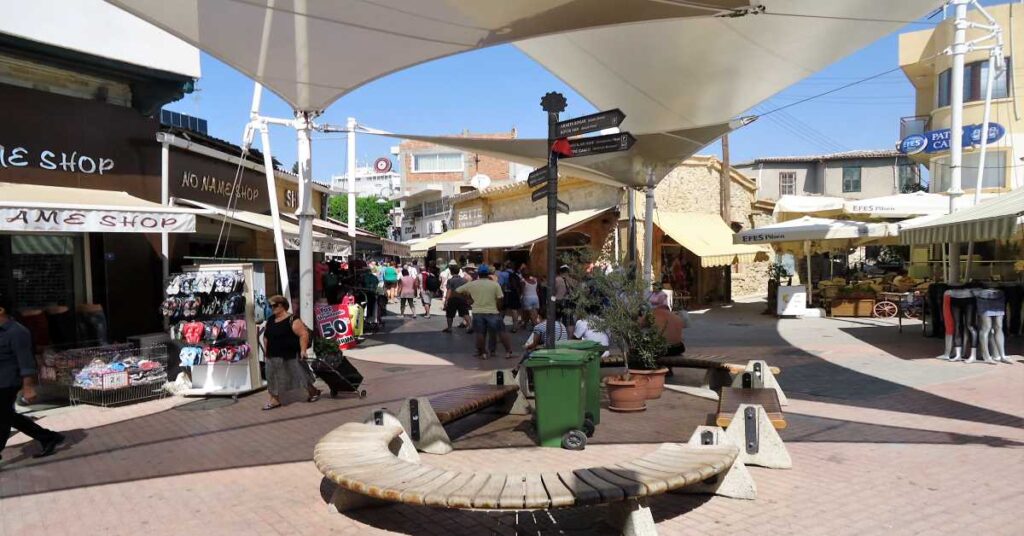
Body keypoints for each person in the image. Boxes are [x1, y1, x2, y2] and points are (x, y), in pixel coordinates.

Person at [0, 296, 66, 462]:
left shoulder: (17, 332)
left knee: (2, 419)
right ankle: (48, 437)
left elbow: (26, 362)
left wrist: (28, 388)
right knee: (7, 416)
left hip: (8, 382)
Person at [262, 295, 320, 410]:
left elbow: (304, 334)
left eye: (274, 305)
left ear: (282, 306)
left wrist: (303, 350)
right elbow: (266, 337)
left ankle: (313, 391)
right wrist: (266, 351)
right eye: (270, 306)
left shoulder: (293, 319)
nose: (271, 308)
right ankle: (274, 400)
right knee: (272, 377)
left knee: (300, 375)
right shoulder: (270, 320)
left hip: (290, 354)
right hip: (272, 354)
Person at [457, 264, 514, 359]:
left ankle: (483, 353)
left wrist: (468, 299)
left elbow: (457, 291)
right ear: (488, 274)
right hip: (493, 312)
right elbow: (500, 299)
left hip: (478, 312)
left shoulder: (472, 284)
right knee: (501, 332)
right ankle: (508, 351)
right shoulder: (495, 284)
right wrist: (498, 308)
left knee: (480, 333)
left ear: (478, 273)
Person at [647, 291, 685, 356]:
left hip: (662, 349)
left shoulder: (653, 314)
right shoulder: (677, 317)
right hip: (678, 348)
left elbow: (638, 327)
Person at [442, 265, 472, 333]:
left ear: (451, 272)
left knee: (449, 314)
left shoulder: (450, 280)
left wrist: (446, 300)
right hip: (462, 298)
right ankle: (470, 326)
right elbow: (467, 290)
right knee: (465, 313)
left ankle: (449, 328)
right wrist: (468, 298)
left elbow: (449, 291)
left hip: (453, 299)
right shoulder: (464, 280)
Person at [499, 262, 523, 333]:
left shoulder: (502, 274)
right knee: (514, 310)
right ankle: (515, 327)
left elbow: (500, 284)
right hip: (514, 293)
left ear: (505, 267)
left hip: (506, 293)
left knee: (503, 309)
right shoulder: (517, 274)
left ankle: (500, 325)